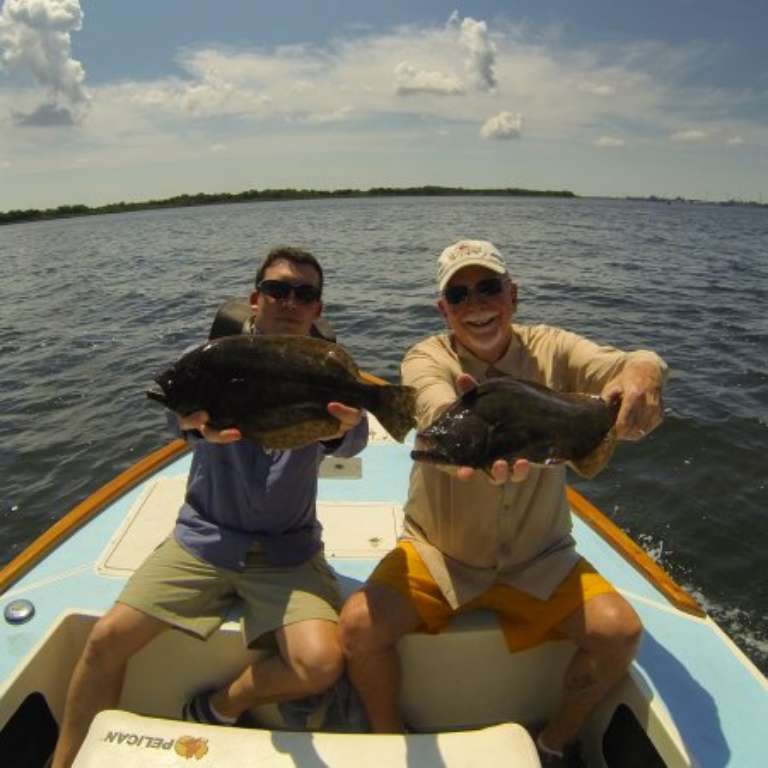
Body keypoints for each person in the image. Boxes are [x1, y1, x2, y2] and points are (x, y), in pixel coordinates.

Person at [340, 239, 666, 766]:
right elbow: (431, 400)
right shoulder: (427, 355)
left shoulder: (553, 347)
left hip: (540, 558)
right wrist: (457, 420)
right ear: (444, 309)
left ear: (513, 295)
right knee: (357, 625)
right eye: (459, 294)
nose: (477, 303)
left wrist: (643, 375)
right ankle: (389, 741)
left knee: (620, 632)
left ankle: (554, 744)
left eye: (489, 287)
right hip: (439, 556)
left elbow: (632, 363)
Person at [52, 246, 369, 768]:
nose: (290, 302)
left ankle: (223, 705)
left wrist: (342, 428)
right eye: (279, 290)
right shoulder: (216, 357)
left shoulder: (329, 368)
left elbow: (351, 441)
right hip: (203, 541)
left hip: (287, 552)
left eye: (305, 294)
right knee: (104, 640)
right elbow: (170, 411)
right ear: (255, 298)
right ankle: (63, 763)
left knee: (320, 665)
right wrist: (192, 426)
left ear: (317, 309)